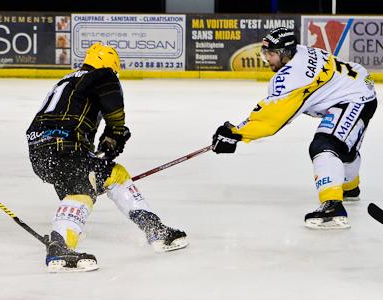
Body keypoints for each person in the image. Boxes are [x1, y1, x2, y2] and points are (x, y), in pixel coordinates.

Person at [27, 42, 188, 272]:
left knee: (114, 174)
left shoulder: (69, 81)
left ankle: (155, 229)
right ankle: (60, 248)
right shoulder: (101, 74)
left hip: (42, 151)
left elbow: (69, 120)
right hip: (62, 146)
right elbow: (111, 96)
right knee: (82, 190)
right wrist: (115, 132)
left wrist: (99, 150)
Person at [211, 27, 377, 230]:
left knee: (325, 145)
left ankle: (332, 208)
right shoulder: (300, 52)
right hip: (358, 88)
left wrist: (236, 133)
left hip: (354, 98)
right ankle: (349, 188)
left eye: (271, 54)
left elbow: (272, 118)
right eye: (265, 53)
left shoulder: (293, 76)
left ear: (285, 53)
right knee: (344, 147)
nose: (267, 58)